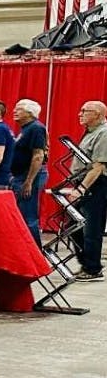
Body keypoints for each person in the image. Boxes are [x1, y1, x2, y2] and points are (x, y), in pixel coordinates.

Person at [70, 100, 107, 280]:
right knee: (74, 226)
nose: (80, 113)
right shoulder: (90, 132)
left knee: (91, 228)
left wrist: (82, 188)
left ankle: (93, 268)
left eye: (85, 111)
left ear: (98, 115)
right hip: (84, 183)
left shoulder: (104, 133)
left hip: (96, 185)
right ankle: (87, 264)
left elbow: (98, 166)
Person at [11, 98, 50, 245]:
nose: (15, 111)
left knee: (28, 216)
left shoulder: (36, 128)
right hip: (21, 175)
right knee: (22, 215)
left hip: (29, 176)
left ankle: (35, 253)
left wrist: (29, 182)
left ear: (30, 113)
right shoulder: (26, 129)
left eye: (19, 108)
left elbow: (38, 156)